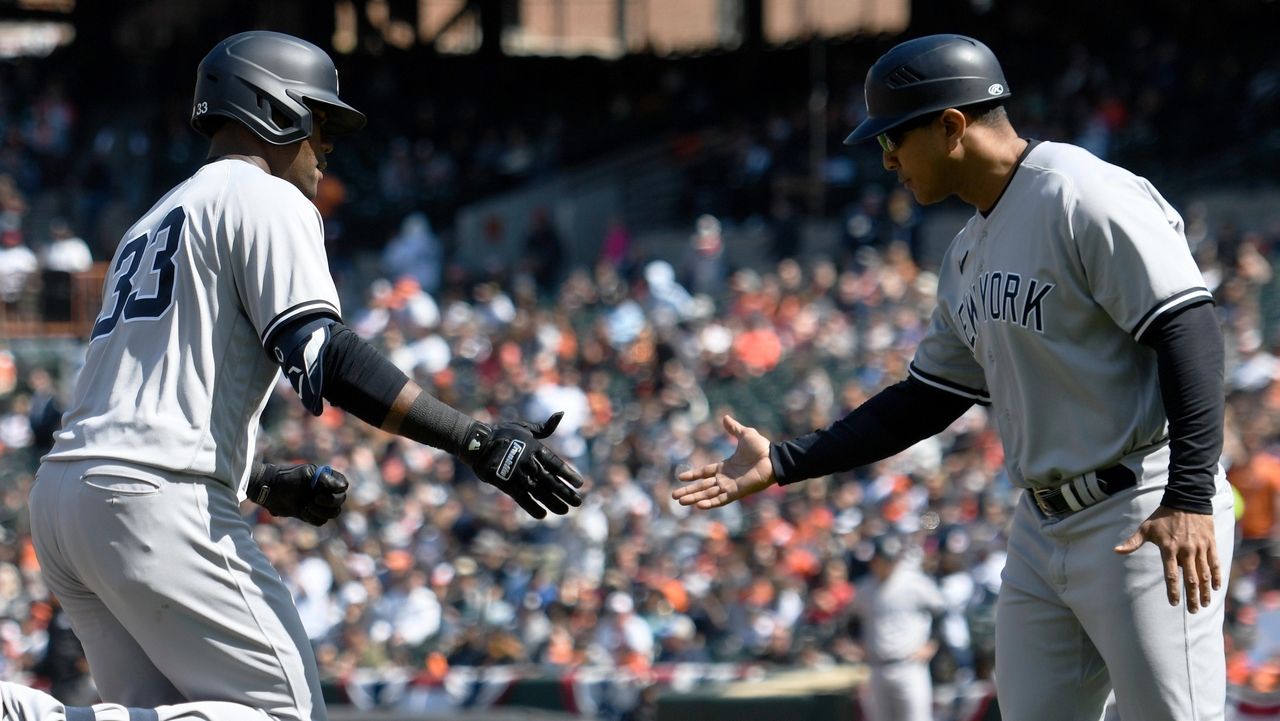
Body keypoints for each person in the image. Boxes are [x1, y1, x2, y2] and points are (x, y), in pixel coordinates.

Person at [9, 30, 584, 721]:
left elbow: (140, 397)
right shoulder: (266, 197)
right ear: (273, 110)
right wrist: (475, 440)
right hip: (150, 495)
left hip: (68, 497)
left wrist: (256, 476)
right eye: (321, 122)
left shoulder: (151, 221)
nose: (328, 146)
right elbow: (325, 353)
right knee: (284, 714)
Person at [674, 34, 1234, 721]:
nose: (885, 159)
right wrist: (787, 460)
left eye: (894, 139)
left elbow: (1189, 330)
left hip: (1141, 506)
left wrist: (1190, 497)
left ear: (951, 126)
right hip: (1041, 527)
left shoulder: (1082, 193)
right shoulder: (968, 249)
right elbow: (926, 399)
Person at [851, 534, 943, 721]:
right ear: (874, 560)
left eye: (892, 559)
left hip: (909, 666)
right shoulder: (865, 588)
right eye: (884, 560)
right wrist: (857, 644)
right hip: (877, 666)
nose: (889, 564)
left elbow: (941, 613)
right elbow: (852, 622)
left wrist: (932, 644)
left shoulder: (915, 583)